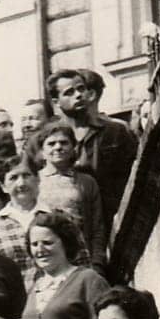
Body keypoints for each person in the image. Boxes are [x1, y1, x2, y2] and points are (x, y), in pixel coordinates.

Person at [47, 68, 137, 226]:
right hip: (67, 224)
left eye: (81, 88)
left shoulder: (116, 131)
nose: (78, 95)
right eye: (69, 92)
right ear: (56, 102)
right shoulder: (47, 138)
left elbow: (136, 174)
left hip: (113, 220)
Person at [22, 209, 110, 319]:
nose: (40, 250)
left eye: (48, 243)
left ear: (65, 243)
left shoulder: (88, 280)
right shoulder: (34, 286)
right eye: (34, 244)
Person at [31, 119, 107, 270]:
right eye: (51, 144)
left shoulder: (86, 182)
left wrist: (97, 262)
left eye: (64, 143)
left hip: (80, 255)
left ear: (74, 148)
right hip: (44, 255)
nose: (58, 147)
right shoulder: (33, 181)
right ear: (42, 152)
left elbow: (98, 226)